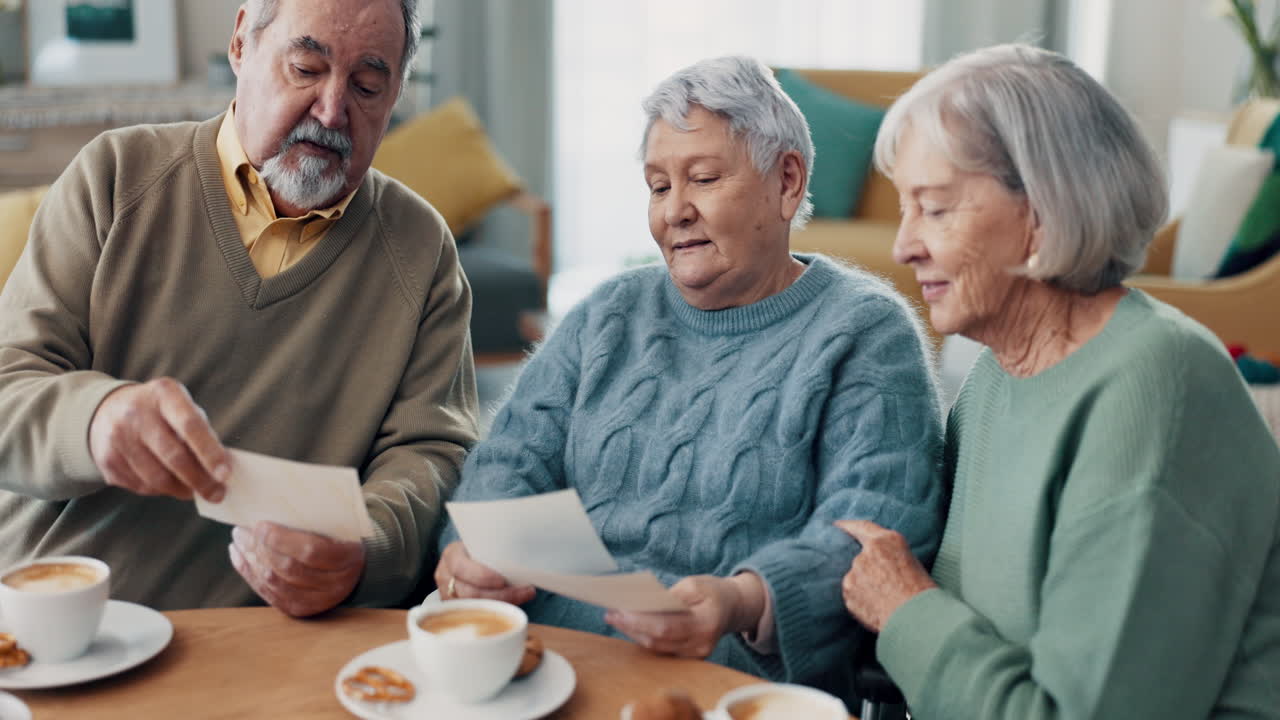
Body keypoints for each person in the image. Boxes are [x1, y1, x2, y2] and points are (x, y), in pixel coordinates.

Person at [434, 56, 945, 699]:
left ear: (787, 181)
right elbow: (505, 462)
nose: (674, 211)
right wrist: (470, 554)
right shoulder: (608, 312)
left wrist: (739, 600)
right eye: (657, 186)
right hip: (540, 663)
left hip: (724, 685)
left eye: (702, 178)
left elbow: (872, 532)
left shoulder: (865, 332)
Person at [838, 43, 1280, 719]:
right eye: (905, 209)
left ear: (1041, 211)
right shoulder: (989, 380)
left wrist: (906, 611)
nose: (903, 246)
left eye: (934, 208)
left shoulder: (1156, 385)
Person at [0, 0, 478, 616]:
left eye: (366, 85)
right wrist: (94, 420)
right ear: (240, 44)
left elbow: (434, 454)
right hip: (61, 619)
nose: (332, 110)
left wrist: (367, 545)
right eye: (306, 67)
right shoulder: (115, 176)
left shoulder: (421, 248)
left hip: (273, 639)